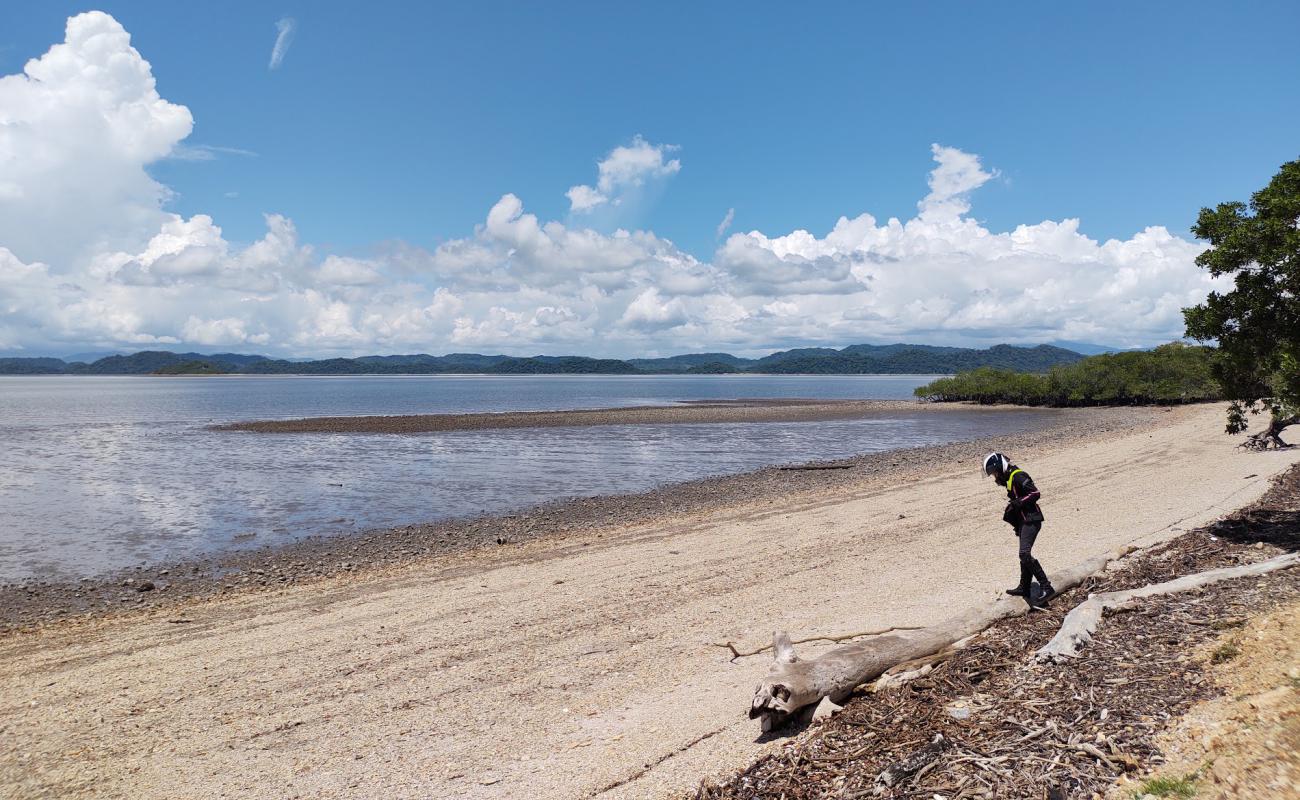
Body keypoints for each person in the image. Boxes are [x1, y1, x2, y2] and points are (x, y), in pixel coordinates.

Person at [983, 452, 1055, 610]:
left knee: (1024, 554)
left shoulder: (1018, 476)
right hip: (1024, 521)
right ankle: (1024, 587)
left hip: (1032, 520)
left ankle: (1046, 587)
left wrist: (1017, 503)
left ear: (1000, 467)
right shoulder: (1009, 478)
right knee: (1024, 555)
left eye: (995, 473)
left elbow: (1035, 493)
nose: (995, 477)